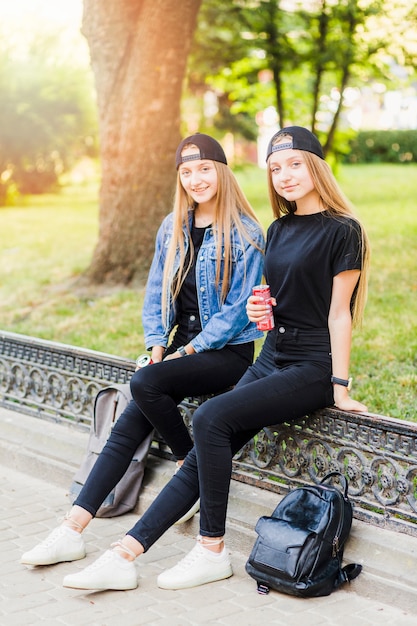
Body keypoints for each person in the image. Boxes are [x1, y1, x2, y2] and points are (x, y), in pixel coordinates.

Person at [22, 126, 370, 595]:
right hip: (273, 355)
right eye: (275, 168)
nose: (285, 176)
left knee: (209, 418)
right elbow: (274, 308)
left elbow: (338, 314)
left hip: (311, 366)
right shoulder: (279, 229)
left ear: (316, 167)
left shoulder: (344, 230)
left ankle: (211, 549)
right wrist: (259, 313)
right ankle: (123, 554)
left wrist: (340, 386)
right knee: (204, 445)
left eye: (294, 164)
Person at [20, 133, 265, 571]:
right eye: (186, 172)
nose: (196, 179)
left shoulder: (246, 232)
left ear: (222, 172)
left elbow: (235, 312)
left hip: (226, 349)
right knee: (131, 417)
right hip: (178, 348)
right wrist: (158, 347)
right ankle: (72, 528)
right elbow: (157, 293)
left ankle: (189, 461)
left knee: (145, 383)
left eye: (205, 168)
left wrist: (187, 351)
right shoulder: (171, 227)